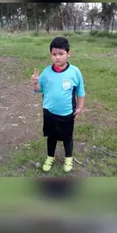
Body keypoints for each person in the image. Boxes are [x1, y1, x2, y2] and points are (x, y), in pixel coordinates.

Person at [31, 37, 85, 173]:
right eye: (54, 54)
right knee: (51, 136)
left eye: (61, 54)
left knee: (67, 137)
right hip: (49, 112)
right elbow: (38, 89)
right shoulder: (47, 72)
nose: (57, 58)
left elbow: (80, 91)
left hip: (67, 113)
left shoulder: (75, 72)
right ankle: (50, 157)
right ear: (51, 55)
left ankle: (68, 157)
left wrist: (79, 107)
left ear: (68, 53)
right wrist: (35, 83)